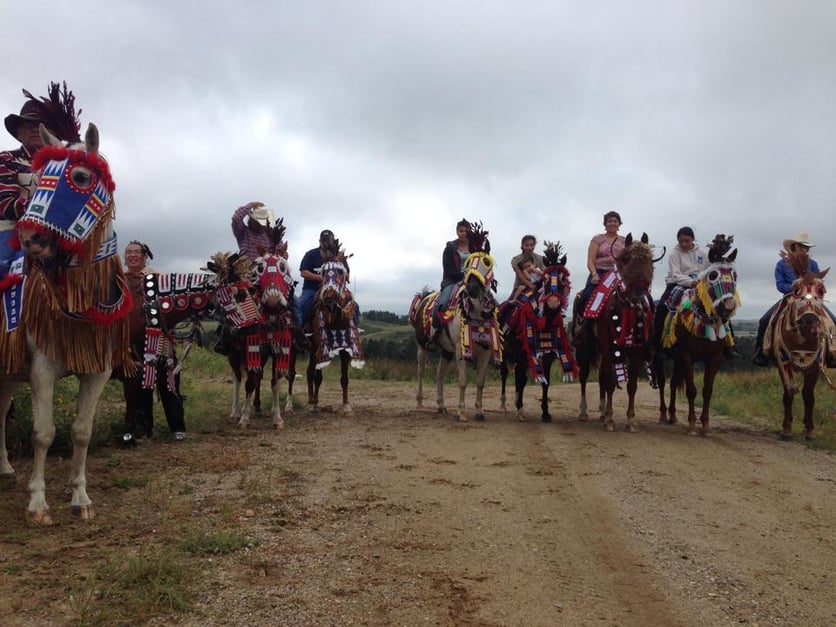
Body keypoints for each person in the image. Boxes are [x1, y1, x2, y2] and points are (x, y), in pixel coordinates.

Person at [1, 82, 80, 279]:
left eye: (41, 125)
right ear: (19, 133)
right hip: (14, 230)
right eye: (28, 124)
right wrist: (45, 209)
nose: (35, 129)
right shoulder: (6, 159)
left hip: (61, 230)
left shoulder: (67, 164)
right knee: (2, 268)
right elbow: (4, 202)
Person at [122, 241, 187, 443]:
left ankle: (177, 426)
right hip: (131, 344)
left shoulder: (157, 279)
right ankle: (143, 428)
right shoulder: (120, 281)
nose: (132, 256)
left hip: (158, 340)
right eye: (128, 253)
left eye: (136, 252)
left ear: (144, 257)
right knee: (139, 386)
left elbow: (171, 307)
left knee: (169, 383)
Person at [753, 233, 836, 367]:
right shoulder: (781, 264)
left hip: (811, 300)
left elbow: (818, 283)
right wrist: (795, 288)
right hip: (790, 299)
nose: (804, 250)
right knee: (764, 320)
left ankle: (832, 353)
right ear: (794, 247)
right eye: (801, 246)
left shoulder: (813, 264)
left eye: (806, 247)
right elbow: (780, 285)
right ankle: (761, 353)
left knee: (833, 320)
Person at [296, 229, 353, 329]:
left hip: (336, 290)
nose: (326, 242)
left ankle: (353, 330)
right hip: (312, 289)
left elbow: (347, 275)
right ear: (320, 241)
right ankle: (298, 331)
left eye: (329, 240)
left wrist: (339, 276)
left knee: (354, 307)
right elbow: (303, 272)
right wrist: (320, 278)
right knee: (303, 304)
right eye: (324, 240)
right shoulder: (311, 254)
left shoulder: (340, 257)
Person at [510, 235, 545, 299]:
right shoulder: (516, 259)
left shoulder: (540, 259)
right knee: (508, 307)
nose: (529, 247)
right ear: (522, 246)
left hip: (538, 290)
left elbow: (545, 273)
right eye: (526, 245)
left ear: (534, 245)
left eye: (532, 245)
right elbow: (520, 276)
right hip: (520, 288)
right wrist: (530, 285)